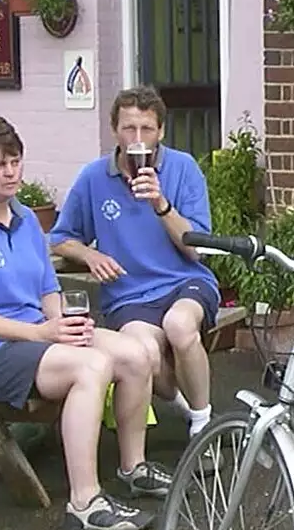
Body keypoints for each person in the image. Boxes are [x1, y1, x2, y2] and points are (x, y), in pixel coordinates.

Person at [0, 113, 168, 530]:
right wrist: (40, 334)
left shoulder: (23, 219)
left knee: (135, 353)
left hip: (34, 337)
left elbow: (47, 290)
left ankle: (133, 467)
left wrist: (61, 324)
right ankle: (84, 503)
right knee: (90, 367)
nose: (11, 172)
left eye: (16, 161)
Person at [50, 87, 220, 442]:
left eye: (146, 129)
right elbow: (61, 238)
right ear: (115, 130)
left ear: (160, 132)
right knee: (144, 355)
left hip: (184, 280)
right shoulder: (94, 177)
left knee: (179, 326)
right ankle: (189, 409)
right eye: (129, 129)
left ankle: (204, 423)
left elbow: (197, 250)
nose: (137, 138)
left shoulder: (184, 169)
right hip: (130, 295)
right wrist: (90, 254)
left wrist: (160, 203)